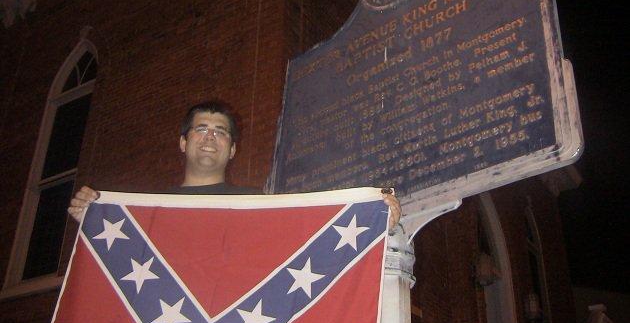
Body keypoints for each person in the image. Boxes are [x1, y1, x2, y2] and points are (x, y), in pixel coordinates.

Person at [69, 101, 401, 228]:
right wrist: (92, 215)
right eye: (201, 129)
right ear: (183, 143)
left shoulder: (255, 205)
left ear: (232, 150)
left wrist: (373, 220)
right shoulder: (149, 210)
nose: (210, 137)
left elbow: (309, 233)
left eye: (220, 132)